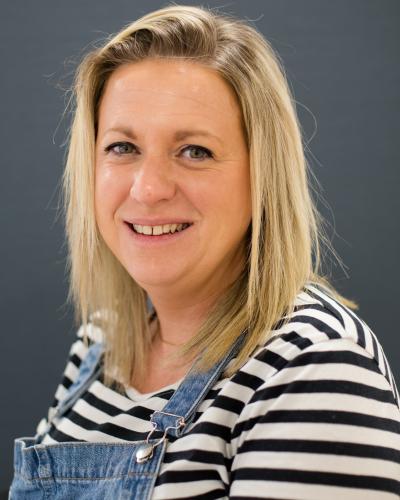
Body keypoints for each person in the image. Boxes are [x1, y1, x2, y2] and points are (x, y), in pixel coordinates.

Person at [10, 4, 400, 499]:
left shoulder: (313, 368)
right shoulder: (100, 346)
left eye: (195, 151)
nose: (148, 189)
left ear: (262, 177)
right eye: (122, 147)